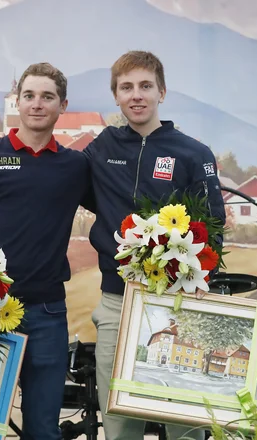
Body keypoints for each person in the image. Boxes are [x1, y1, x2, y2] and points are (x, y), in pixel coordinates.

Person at [0, 62, 94, 440]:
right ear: (17, 103)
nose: (37, 104)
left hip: (47, 312)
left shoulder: (76, 166)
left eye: (47, 97)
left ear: (62, 106)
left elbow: (115, 211)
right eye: (29, 96)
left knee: (43, 429)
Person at [83, 50, 226, 440]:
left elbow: (215, 229)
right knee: (119, 423)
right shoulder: (101, 149)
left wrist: (187, 281)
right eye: (126, 87)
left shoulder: (192, 153)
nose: (136, 95)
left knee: (185, 427)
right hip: (116, 302)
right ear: (115, 96)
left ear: (162, 91)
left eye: (146, 86)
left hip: (176, 307)